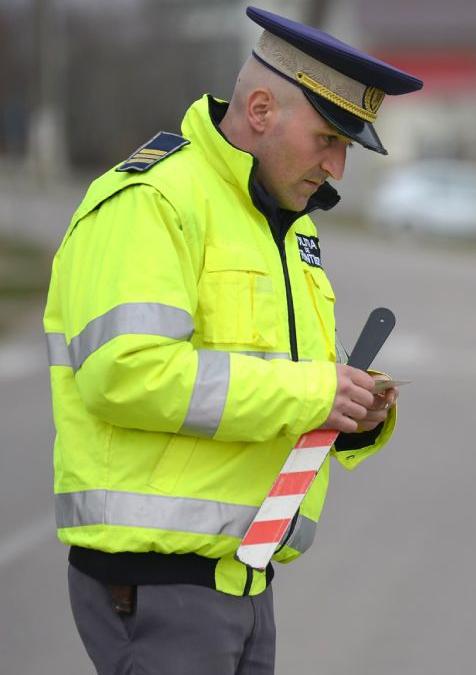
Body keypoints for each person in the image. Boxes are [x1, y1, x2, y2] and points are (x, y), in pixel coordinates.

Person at [42, 7, 422, 674]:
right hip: (158, 581)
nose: (337, 167)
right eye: (327, 139)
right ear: (260, 109)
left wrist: (352, 411)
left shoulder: (286, 223)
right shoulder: (153, 200)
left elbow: (279, 381)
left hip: (241, 578)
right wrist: (315, 393)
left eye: (347, 147)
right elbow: (125, 374)